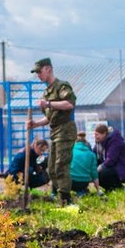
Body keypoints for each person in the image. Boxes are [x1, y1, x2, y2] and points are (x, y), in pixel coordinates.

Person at [27, 57, 77, 205]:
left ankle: (66, 201)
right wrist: (35, 124)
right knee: (52, 169)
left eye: (40, 72)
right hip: (55, 132)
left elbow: (69, 104)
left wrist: (48, 103)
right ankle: (61, 196)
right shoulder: (46, 93)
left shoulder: (61, 86)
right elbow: (50, 118)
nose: (38, 75)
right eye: (36, 73)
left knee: (61, 165)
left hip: (65, 131)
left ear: (48, 69)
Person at [93, 124, 125, 191]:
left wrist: (100, 167)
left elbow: (111, 159)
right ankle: (110, 189)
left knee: (102, 172)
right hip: (112, 168)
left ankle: (119, 188)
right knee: (95, 173)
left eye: (97, 135)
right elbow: (93, 156)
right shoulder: (99, 143)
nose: (95, 137)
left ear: (104, 134)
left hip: (123, 169)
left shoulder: (115, 141)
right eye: (94, 134)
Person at [70, 132, 102, 197]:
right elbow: (94, 174)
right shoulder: (91, 154)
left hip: (69, 182)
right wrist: (98, 190)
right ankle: (81, 191)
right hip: (83, 183)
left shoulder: (70, 151)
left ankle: (54, 193)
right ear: (86, 144)